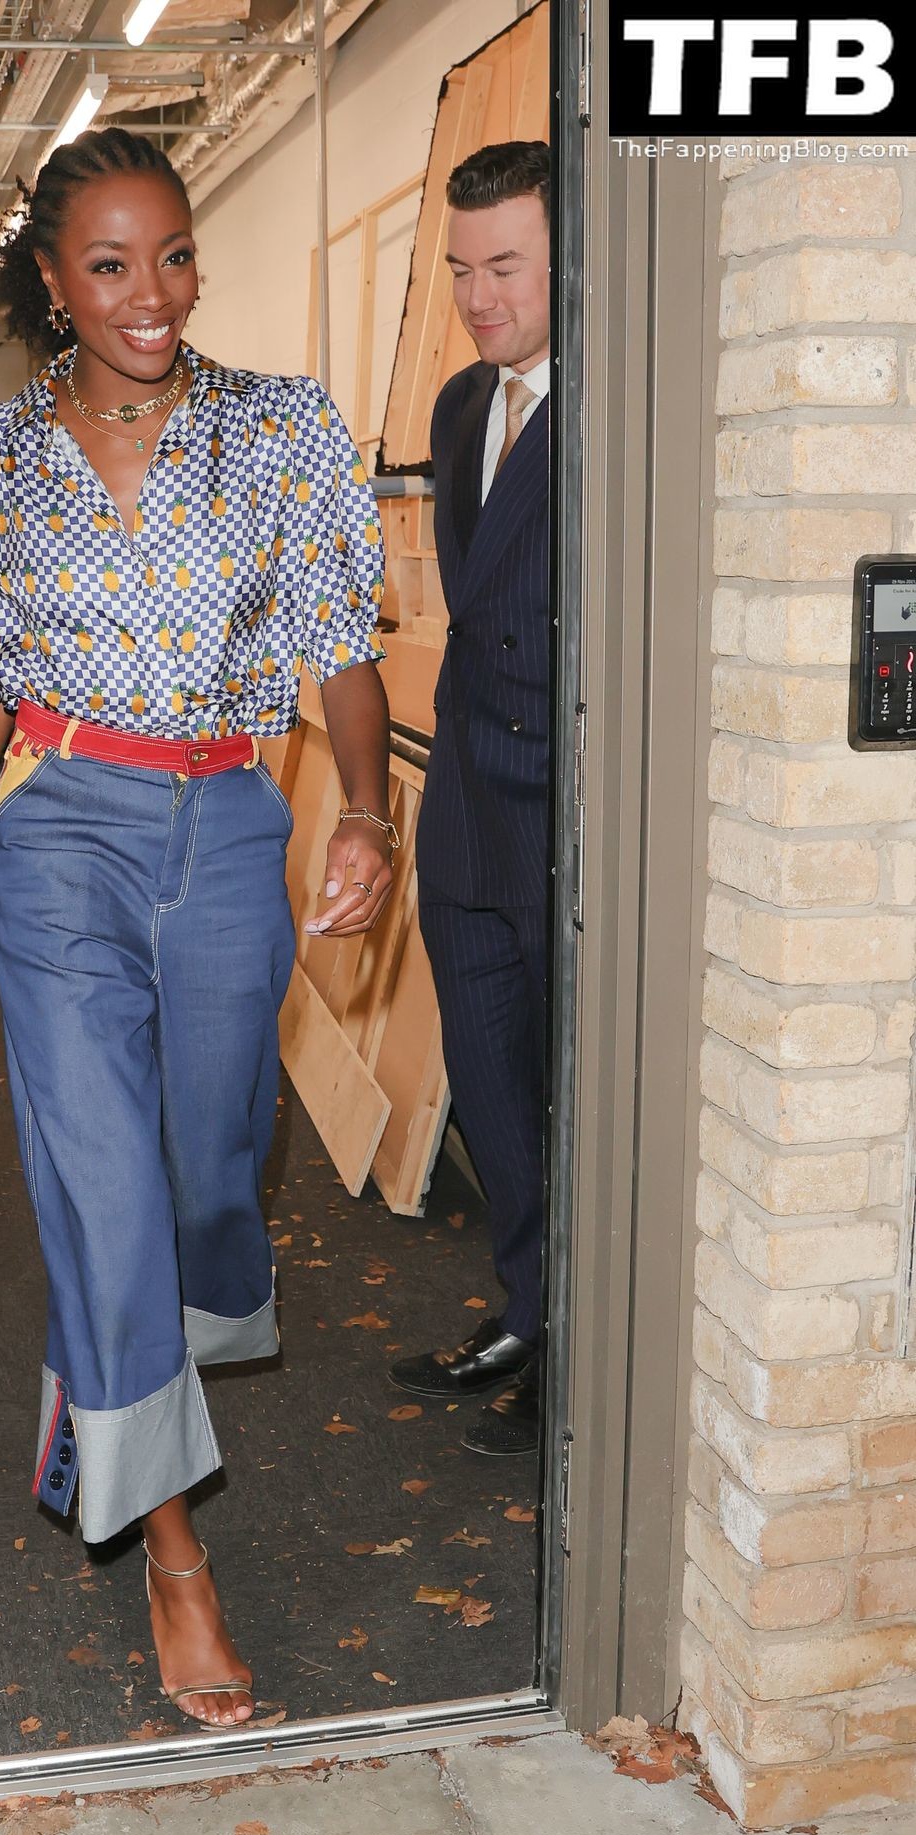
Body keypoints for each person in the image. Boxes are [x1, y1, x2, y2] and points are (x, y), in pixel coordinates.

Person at [0, 127, 394, 1728]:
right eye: (109, 265)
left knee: (209, 1172)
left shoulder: (283, 429)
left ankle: (118, 1363)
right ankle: (174, 1553)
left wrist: (366, 810)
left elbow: (339, 644)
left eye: (171, 256)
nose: (150, 293)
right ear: (53, 279)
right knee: (101, 1185)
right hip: (60, 831)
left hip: (229, 820)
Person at [386, 141, 552, 1458]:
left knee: (574, 1095)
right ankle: (531, 1309)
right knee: (492, 1089)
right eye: (459, 269)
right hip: (466, 814)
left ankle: (580, 1346)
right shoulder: (455, 407)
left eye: (506, 266)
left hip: (565, 811)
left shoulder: (620, 403)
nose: (477, 297)